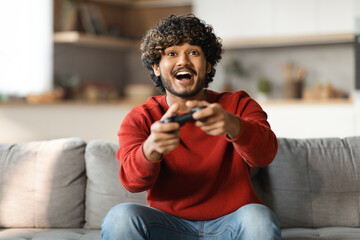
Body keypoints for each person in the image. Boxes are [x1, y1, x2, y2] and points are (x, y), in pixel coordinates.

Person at [101, 15, 282, 240]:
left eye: (194, 52)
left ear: (207, 65)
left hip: (231, 223)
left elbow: (265, 155)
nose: (183, 61)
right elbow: (131, 182)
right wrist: (151, 149)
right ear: (157, 67)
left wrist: (232, 125)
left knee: (259, 218)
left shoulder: (238, 105)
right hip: (167, 226)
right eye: (172, 53)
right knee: (120, 217)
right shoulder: (141, 118)